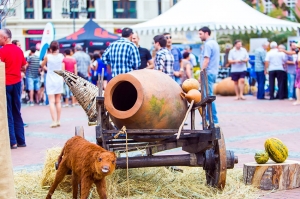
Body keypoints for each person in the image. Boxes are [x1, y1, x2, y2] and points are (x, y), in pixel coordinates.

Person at [0, 28, 27, 149]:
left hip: (6, 83)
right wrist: (19, 71)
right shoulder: (19, 50)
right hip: (17, 83)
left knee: (8, 112)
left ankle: (13, 141)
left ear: (4, 38)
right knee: (17, 111)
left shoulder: (2, 51)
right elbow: (24, 65)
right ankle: (21, 140)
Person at [199, 26, 220, 125]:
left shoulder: (208, 44)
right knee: (208, 95)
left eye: (200, 34)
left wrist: (201, 73)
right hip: (213, 72)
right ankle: (209, 118)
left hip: (208, 73)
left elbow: (206, 60)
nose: (199, 36)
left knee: (208, 96)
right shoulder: (214, 43)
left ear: (206, 33)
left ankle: (213, 118)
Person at [41, 41, 65, 128]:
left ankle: (53, 121)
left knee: (51, 101)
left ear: (50, 48)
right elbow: (63, 69)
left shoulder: (48, 56)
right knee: (58, 101)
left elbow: (41, 64)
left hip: (50, 79)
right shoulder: (61, 56)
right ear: (58, 48)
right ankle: (58, 120)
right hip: (59, 79)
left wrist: (47, 69)